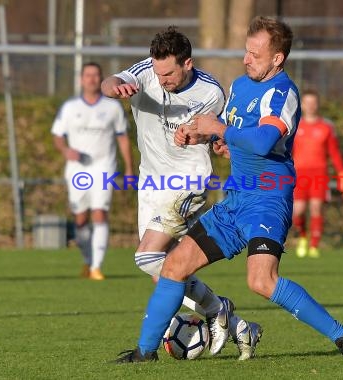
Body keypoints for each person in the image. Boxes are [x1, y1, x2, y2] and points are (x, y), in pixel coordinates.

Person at [114, 16, 343, 364]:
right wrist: (210, 138)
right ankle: (144, 354)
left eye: (254, 53)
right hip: (235, 199)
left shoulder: (283, 93)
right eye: (246, 52)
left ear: (277, 58)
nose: (246, 59)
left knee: (262, 282)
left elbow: (265, 141)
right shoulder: (239, 85)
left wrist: (217, 127)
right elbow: (236, 139)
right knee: (174, 266)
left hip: (267, 200)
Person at [101, 27, 262, 360]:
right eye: (158, 72)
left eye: (169, 72)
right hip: (151, 184)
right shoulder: (146, 72)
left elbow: (218, 134)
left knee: (146, 257)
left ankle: (209, 314)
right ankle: (233, 320)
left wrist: (206, 139)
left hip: (188, 181)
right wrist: (114, 87)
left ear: (187, 62)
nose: (162, 80)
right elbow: (108, 82)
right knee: (163, 268)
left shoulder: (211, 91)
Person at [52, 62, 134, 281]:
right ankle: (88, 262)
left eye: (95, 75)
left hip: (104, 167)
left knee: (100, 212)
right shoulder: (70, 108)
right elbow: (57, 135)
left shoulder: (112, 107)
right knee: (80, 219)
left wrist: (128, 169)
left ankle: (97, 266)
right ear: (81, 79)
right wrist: (66, 150)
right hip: (77, 170)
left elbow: (123, 138)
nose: (91, 79)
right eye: (87, 75)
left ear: (101, 78)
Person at [292, 89, 343, 258]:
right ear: (302, 105)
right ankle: (303, 237)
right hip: (299, 174)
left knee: (317, 208)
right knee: (298, 211)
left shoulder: (326, 126)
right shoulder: (295, 126)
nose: (310, 106)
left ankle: (314, 246)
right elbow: (288, 152)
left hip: (319, 174)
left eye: (313, 102)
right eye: (307, 102)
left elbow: (334, 152)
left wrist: (342, 174)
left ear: (317, 105)